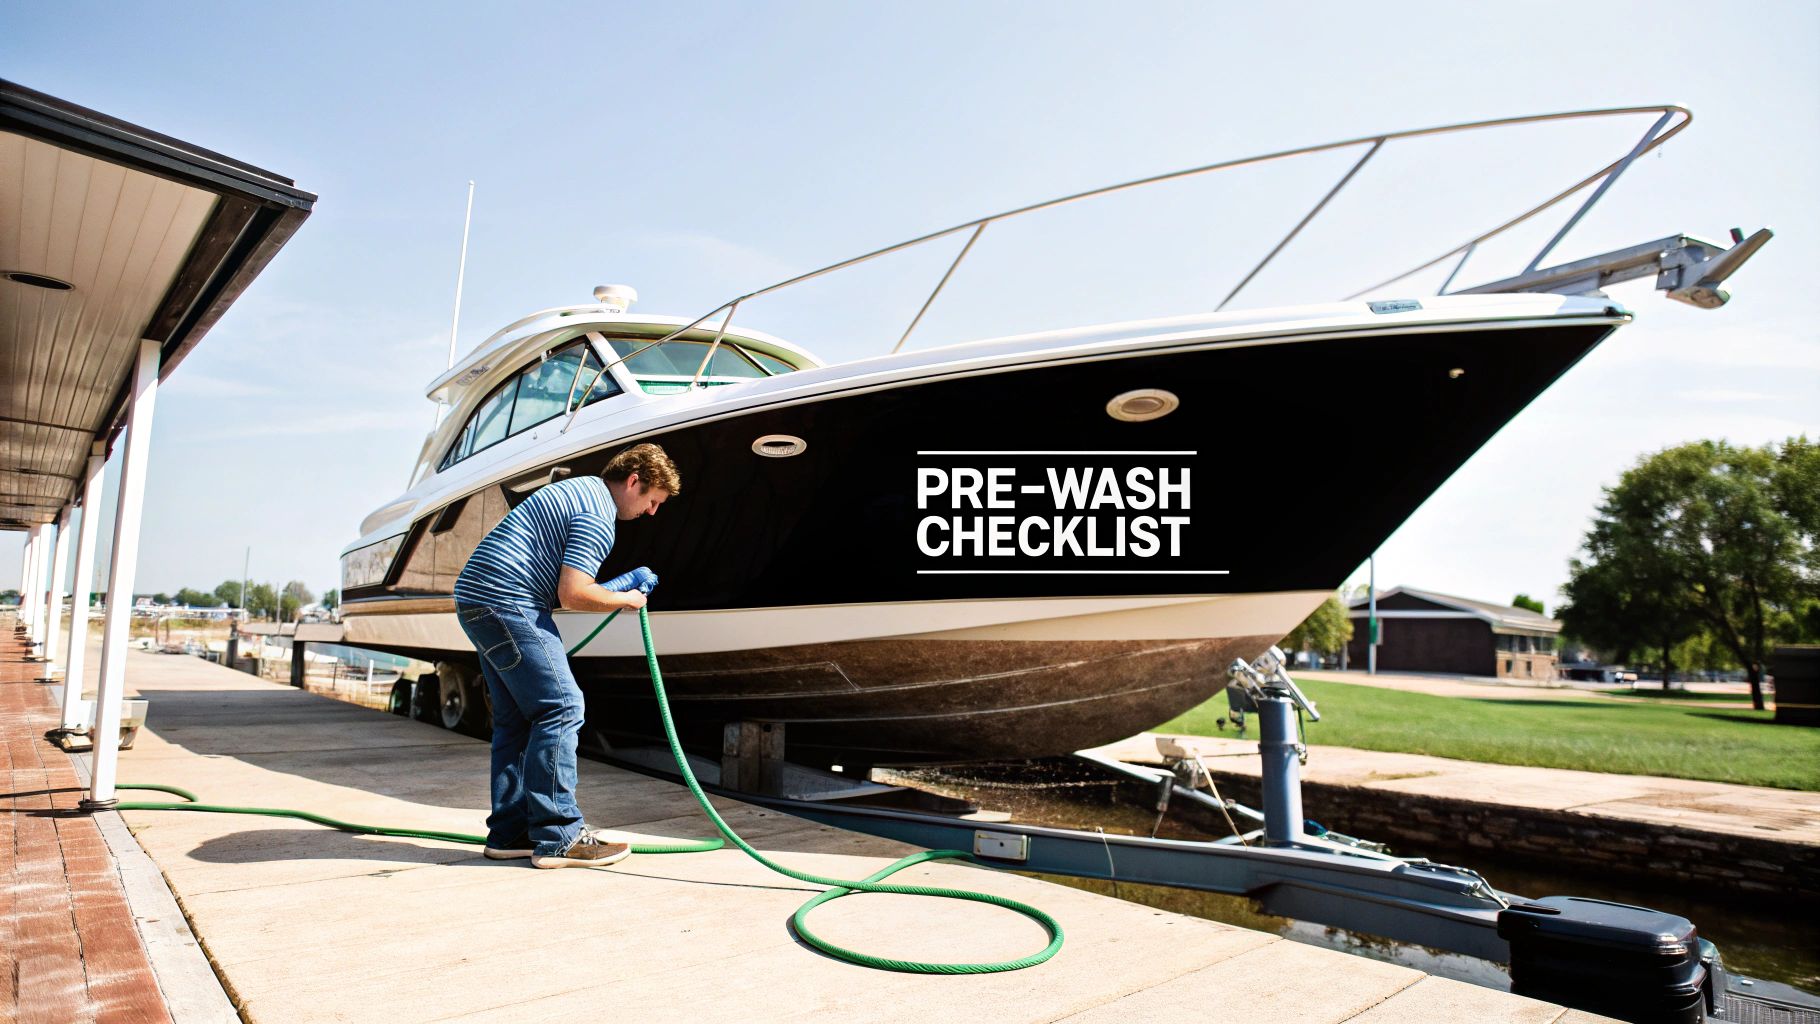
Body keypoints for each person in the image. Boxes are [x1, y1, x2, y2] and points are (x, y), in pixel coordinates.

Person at [452, 443, 679, 868]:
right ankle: (559, 836)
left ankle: (511, 832)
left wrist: (622, 587)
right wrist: (627, 601)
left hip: (477, 597)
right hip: (507, 600)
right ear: (633, 481)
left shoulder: (581, 491)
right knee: (562, 707)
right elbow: (573, 593)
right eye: (652, 501)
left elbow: (568, 587)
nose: (651, 513)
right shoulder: (598, 516)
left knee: (517, 719)